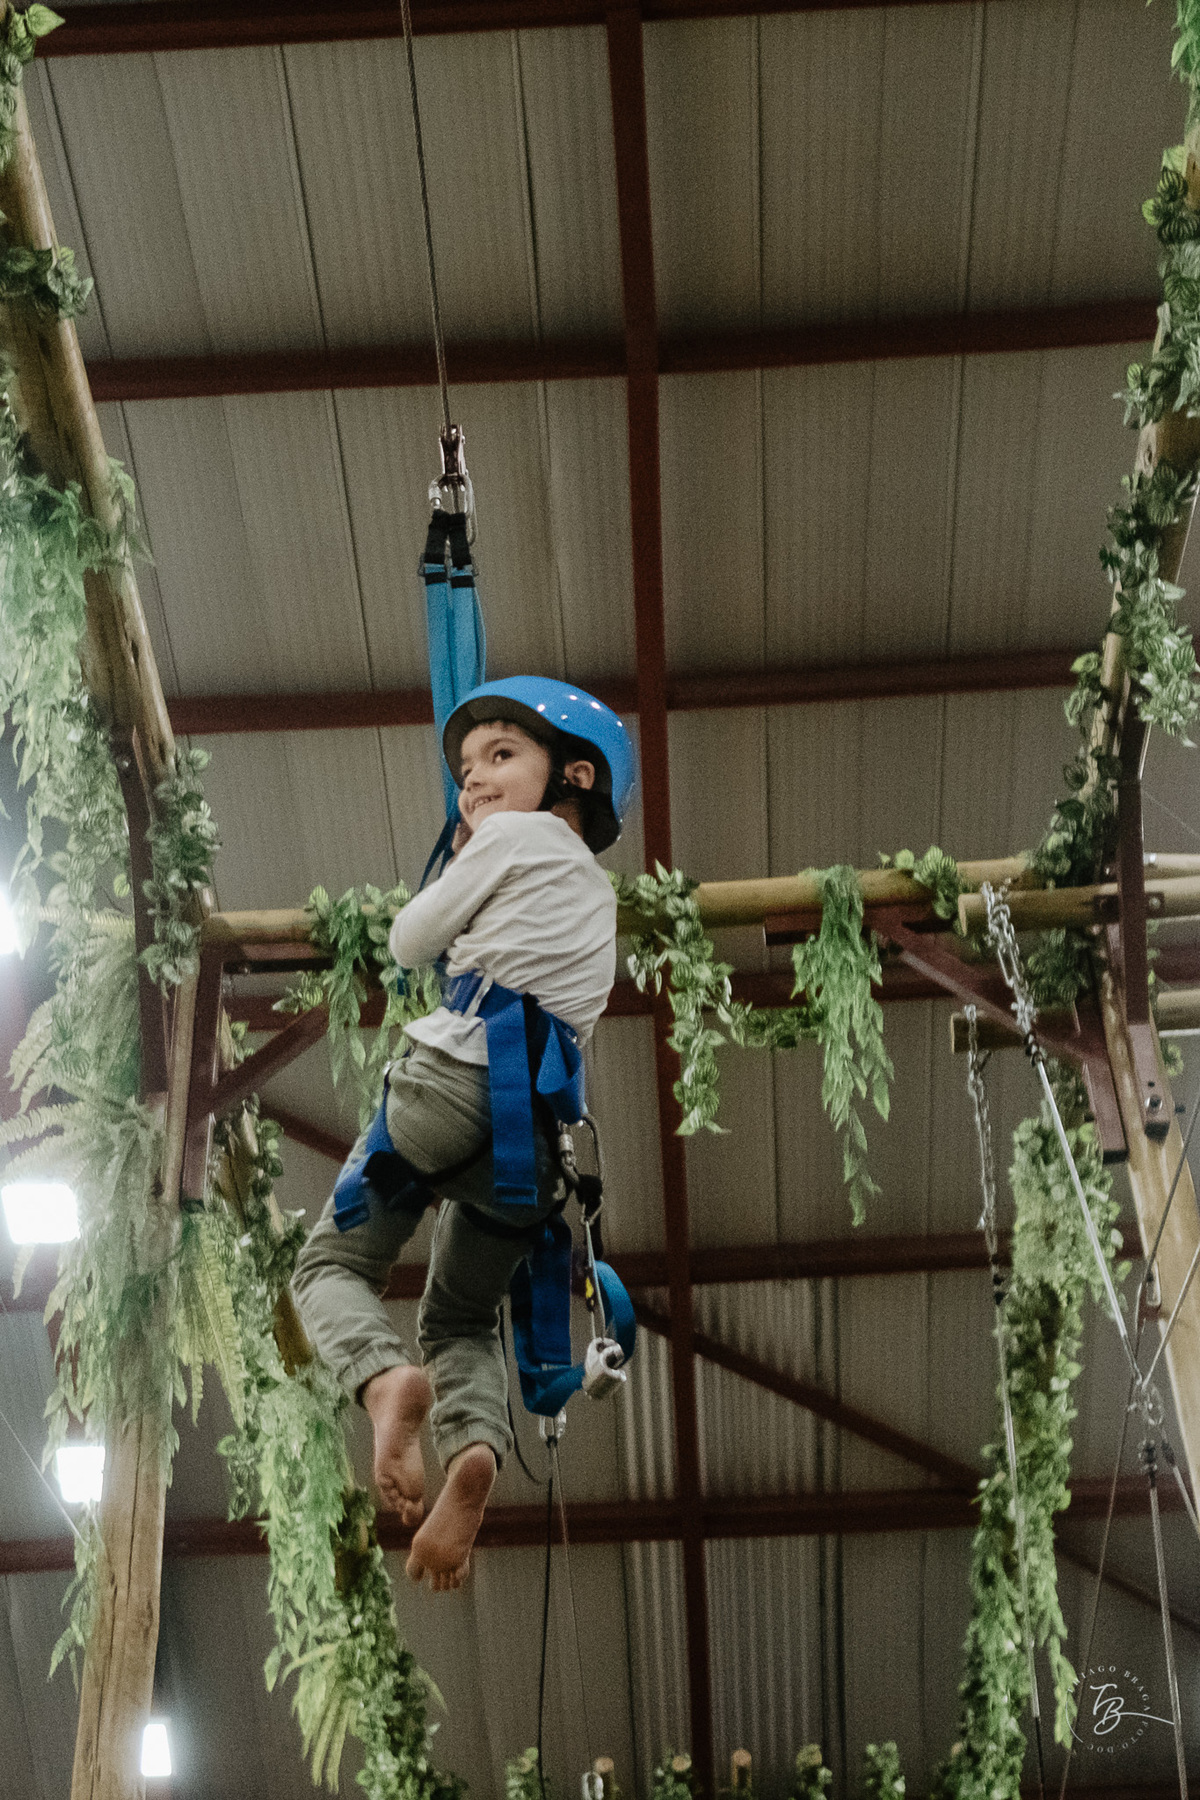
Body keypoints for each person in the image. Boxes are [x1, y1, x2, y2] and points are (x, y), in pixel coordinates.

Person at [292, 677, 636, 1592]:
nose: (471, 785)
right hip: (526, 1150)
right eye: (465, 770)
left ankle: (380, 1384)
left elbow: (410, 940)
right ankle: (473, 1455)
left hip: (446, 1090)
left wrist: (455, 866)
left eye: (499, 757)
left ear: (575, 775)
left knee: (328, 1268)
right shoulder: (600, 902)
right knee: (459, 1316)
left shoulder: (514, 839)